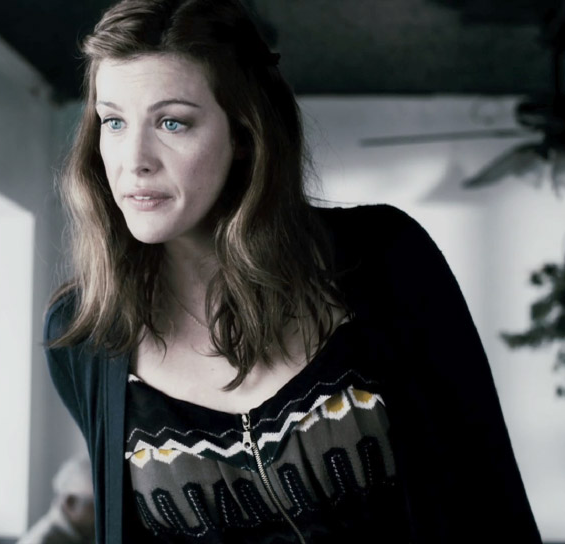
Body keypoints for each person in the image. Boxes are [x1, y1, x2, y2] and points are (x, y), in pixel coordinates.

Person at [42, 0, 542, 542]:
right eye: (113, 121)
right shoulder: (83, 332)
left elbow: (490, 496)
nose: (134, 158)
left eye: (172, 122)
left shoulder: (387, 256)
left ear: (243, 134)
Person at [20, 454, 95, 544]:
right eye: (94, 507)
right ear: (71, 503)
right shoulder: (44, 541)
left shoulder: (78, 535)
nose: (100, 514)